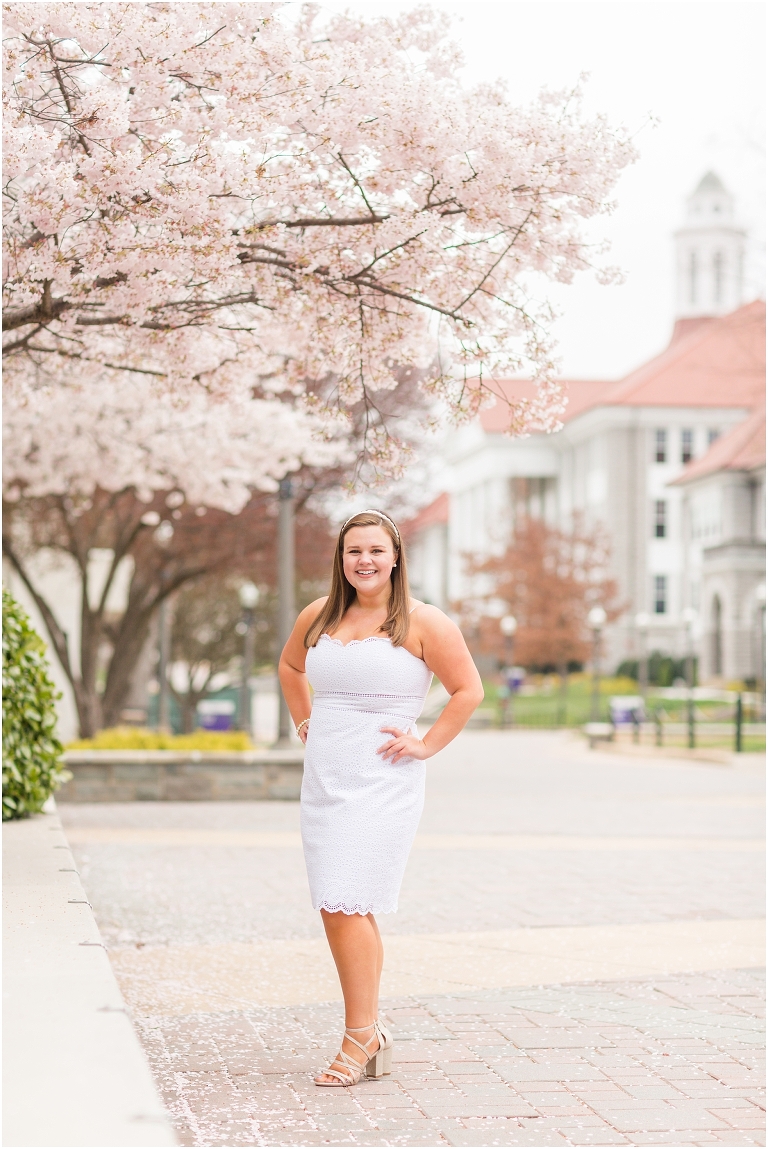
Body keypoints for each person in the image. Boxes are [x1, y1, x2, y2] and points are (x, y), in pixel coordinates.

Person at [278, 509, 484, 1087]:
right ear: (340, 559)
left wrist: (426, 745)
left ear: (395, 558)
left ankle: (359, 1036)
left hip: (382, 781)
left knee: (345, 900)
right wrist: (304, 721)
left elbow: (468, 690)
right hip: (325, 780)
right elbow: (290, 666)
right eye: (353, 551)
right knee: (341, 903)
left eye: (375, 550)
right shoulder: (318, 615)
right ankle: (367, 1031)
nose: (364, 560)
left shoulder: (424, 622)